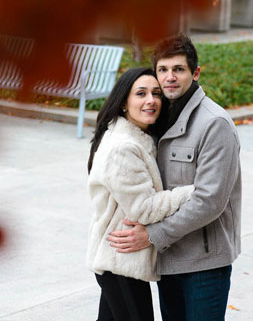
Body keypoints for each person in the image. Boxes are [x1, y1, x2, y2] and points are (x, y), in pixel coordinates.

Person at [107, 34, 242, 321]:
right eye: (163, 70)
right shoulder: (157, 116)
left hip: (203, 264)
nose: (169, 77)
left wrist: (152, 235)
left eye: (178, 69)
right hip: (167, 260)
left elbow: (210, 200)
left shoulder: (214, 124)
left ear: (195, 73)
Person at [87, 67, 195, 321]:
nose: (151, 100)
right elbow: (143, 208)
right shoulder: (123, 147)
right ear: (124, 102)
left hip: (119, 258)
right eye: (141, 93)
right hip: (120, 261)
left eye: (156, 93)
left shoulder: (134, 136)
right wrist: (192, 191)